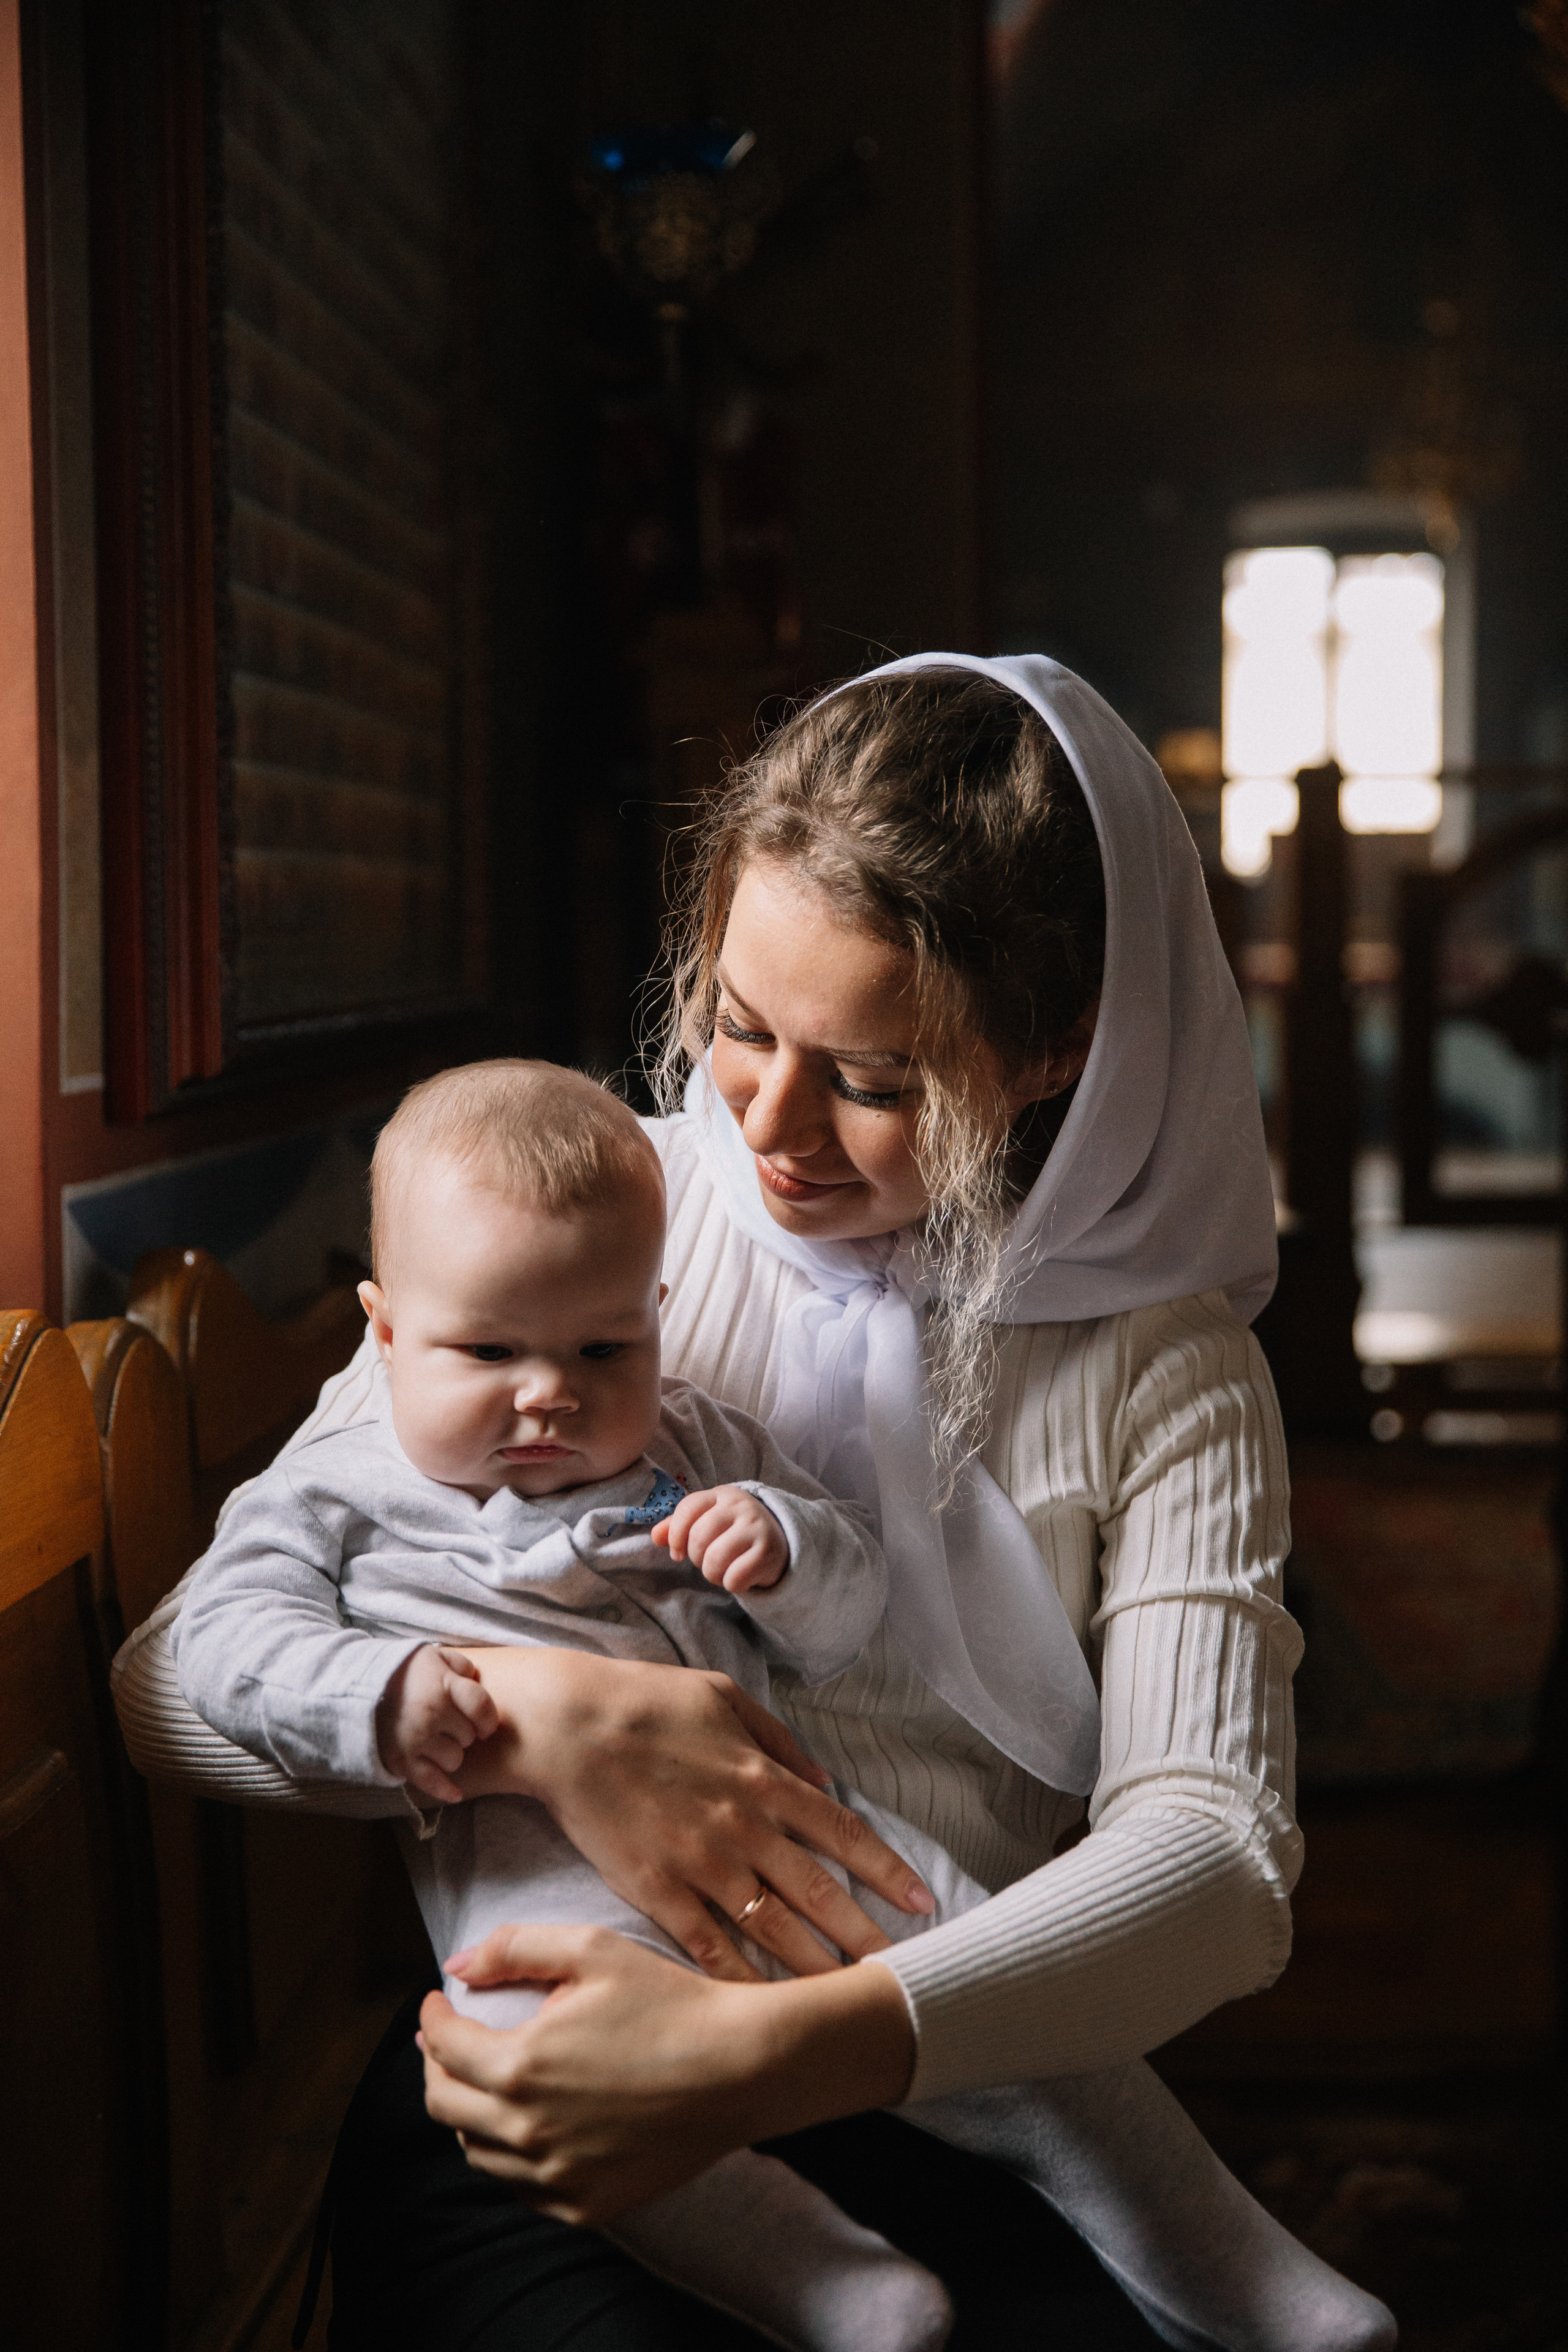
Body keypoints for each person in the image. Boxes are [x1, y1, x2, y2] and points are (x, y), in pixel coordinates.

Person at [115, 655, 1394, 2350]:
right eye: (736, 1025)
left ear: (1053, 1048)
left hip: (967, 2056)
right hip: (565, 2046)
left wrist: (781, 2047)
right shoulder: (575, 1230)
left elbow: (1218, 1863)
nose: (773, 1130)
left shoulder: (1163, 1363)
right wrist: (544, 1723)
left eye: (873, 1078)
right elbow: (162, 1685)